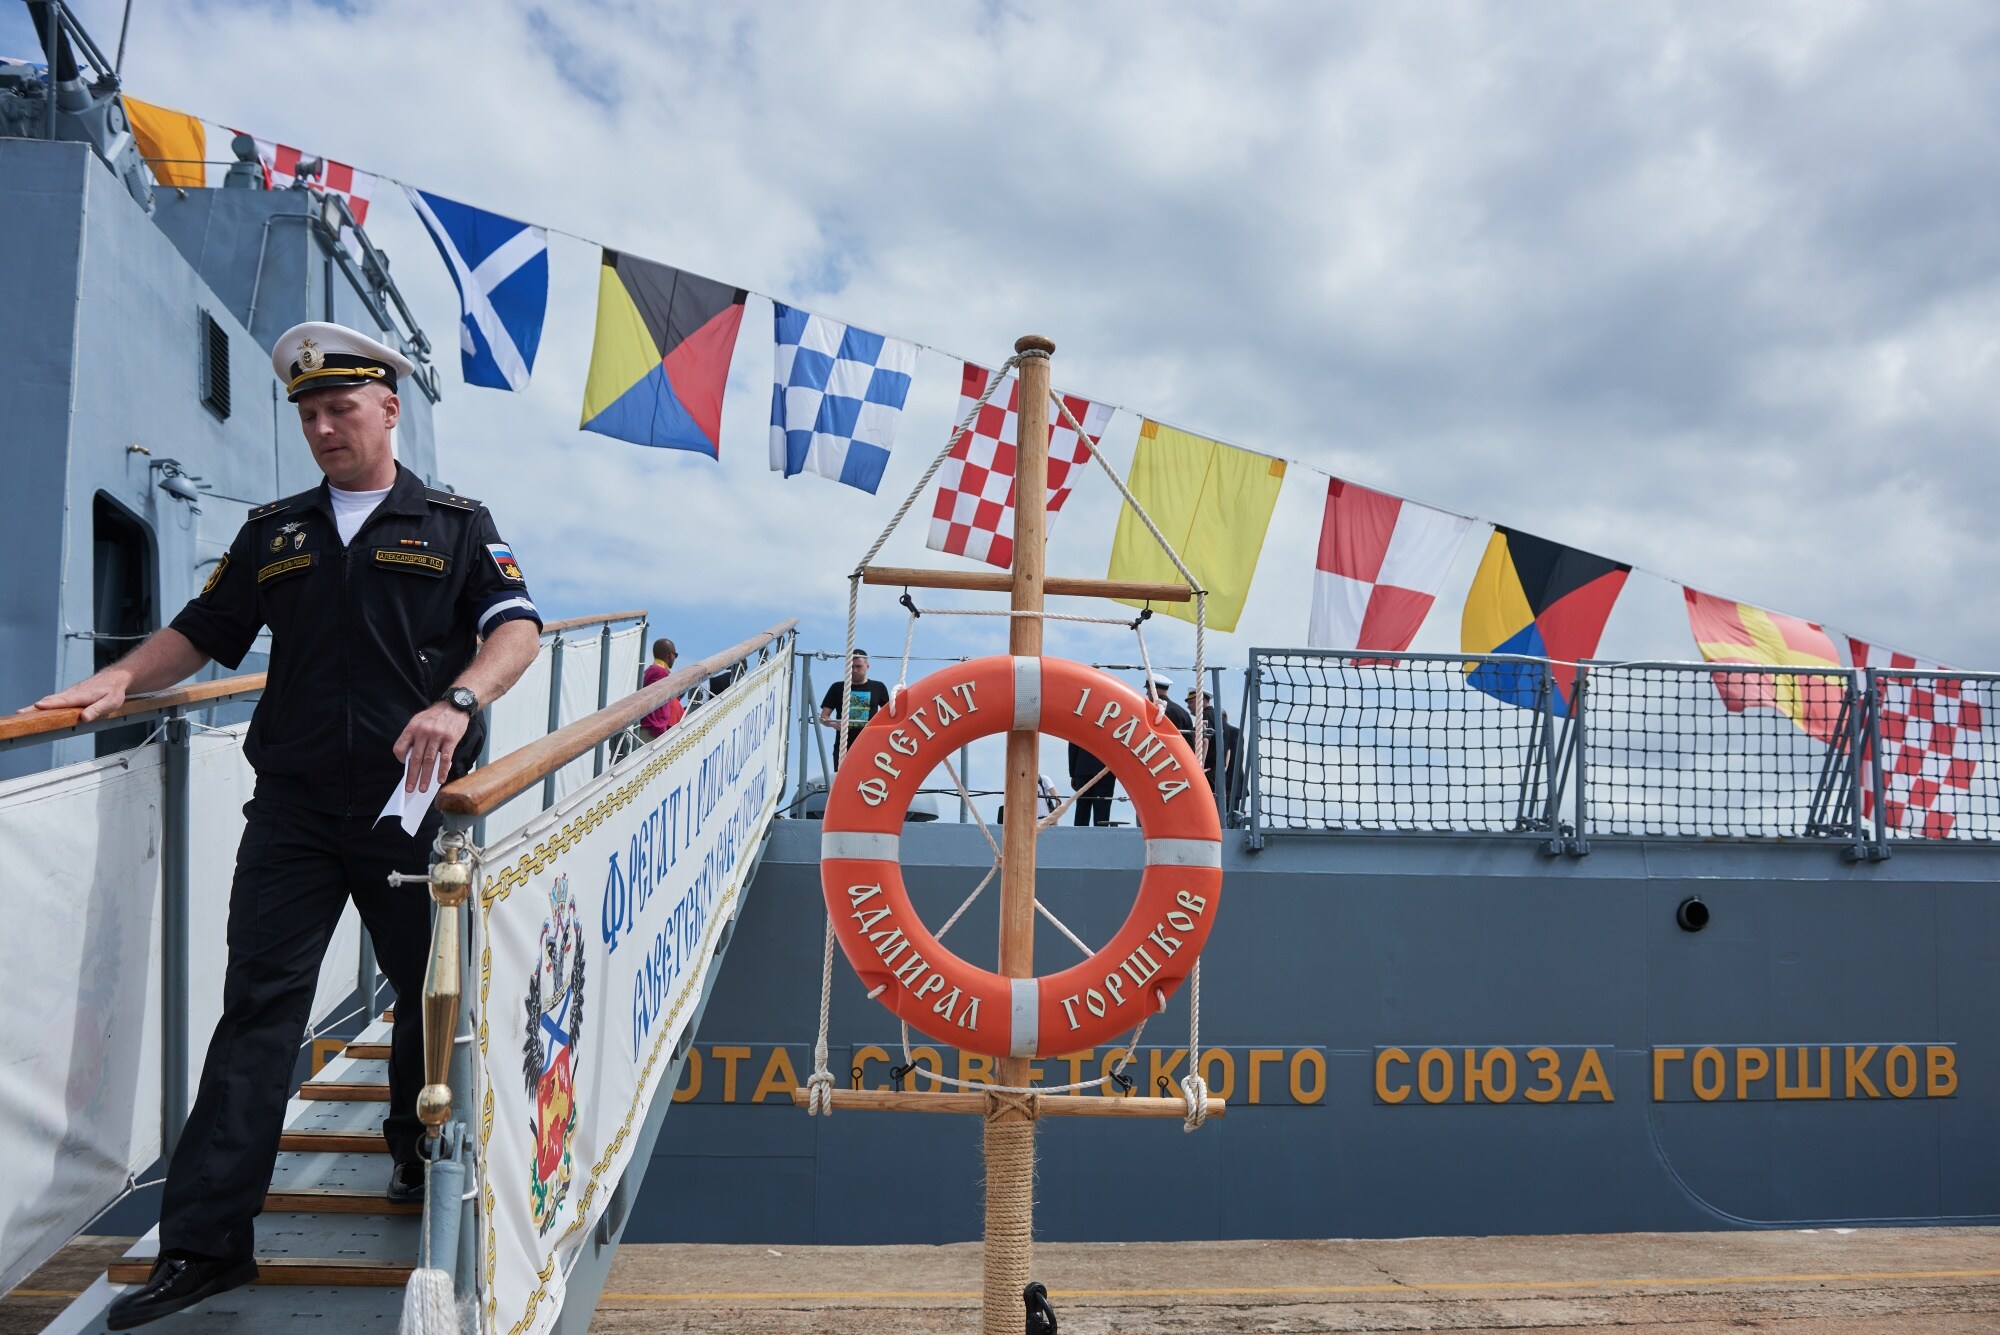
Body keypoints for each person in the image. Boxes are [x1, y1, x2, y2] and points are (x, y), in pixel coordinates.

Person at [24, 322, 544, 1329]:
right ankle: (204, 1248)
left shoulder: (454, 524)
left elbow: (514, 629)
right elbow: (203, 631)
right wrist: (120, 679)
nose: (322, 428)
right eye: (307, 415)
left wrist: (460, 702)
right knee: (257, 1011)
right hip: (294, 812)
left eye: (340, 409)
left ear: (388, 409)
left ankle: (416, 1147)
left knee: (431, 998)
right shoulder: (276, 532)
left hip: (413, 807)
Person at [819, 650, 889, 761]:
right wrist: (834, 724)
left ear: (867, 666)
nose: (854, 670)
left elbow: (890, 714)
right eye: (851, 667)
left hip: (871, 746)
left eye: (858, 666)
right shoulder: (837, 688)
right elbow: (823, 717)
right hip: (843, 748)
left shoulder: (878, 687)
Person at [638, 637, 685, 740]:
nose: (674, 658)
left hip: (648, 728)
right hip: (652, 729)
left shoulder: (650, 671)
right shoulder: (660, 672)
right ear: (670, 654)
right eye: (675, 655)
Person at [1067, 738, 1117, 826]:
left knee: (1082, 811)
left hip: (1082, 768)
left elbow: (1072, 746)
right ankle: (1101, 834)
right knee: (1102, 811)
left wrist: (1073, 774)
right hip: (1105, 769)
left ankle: (1079, 834)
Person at [1145, 672, 1197, 752]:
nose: (1146, 693)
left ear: (1153, 689)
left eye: (1147, 689)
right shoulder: (1182, 712)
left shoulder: (1160, 711)